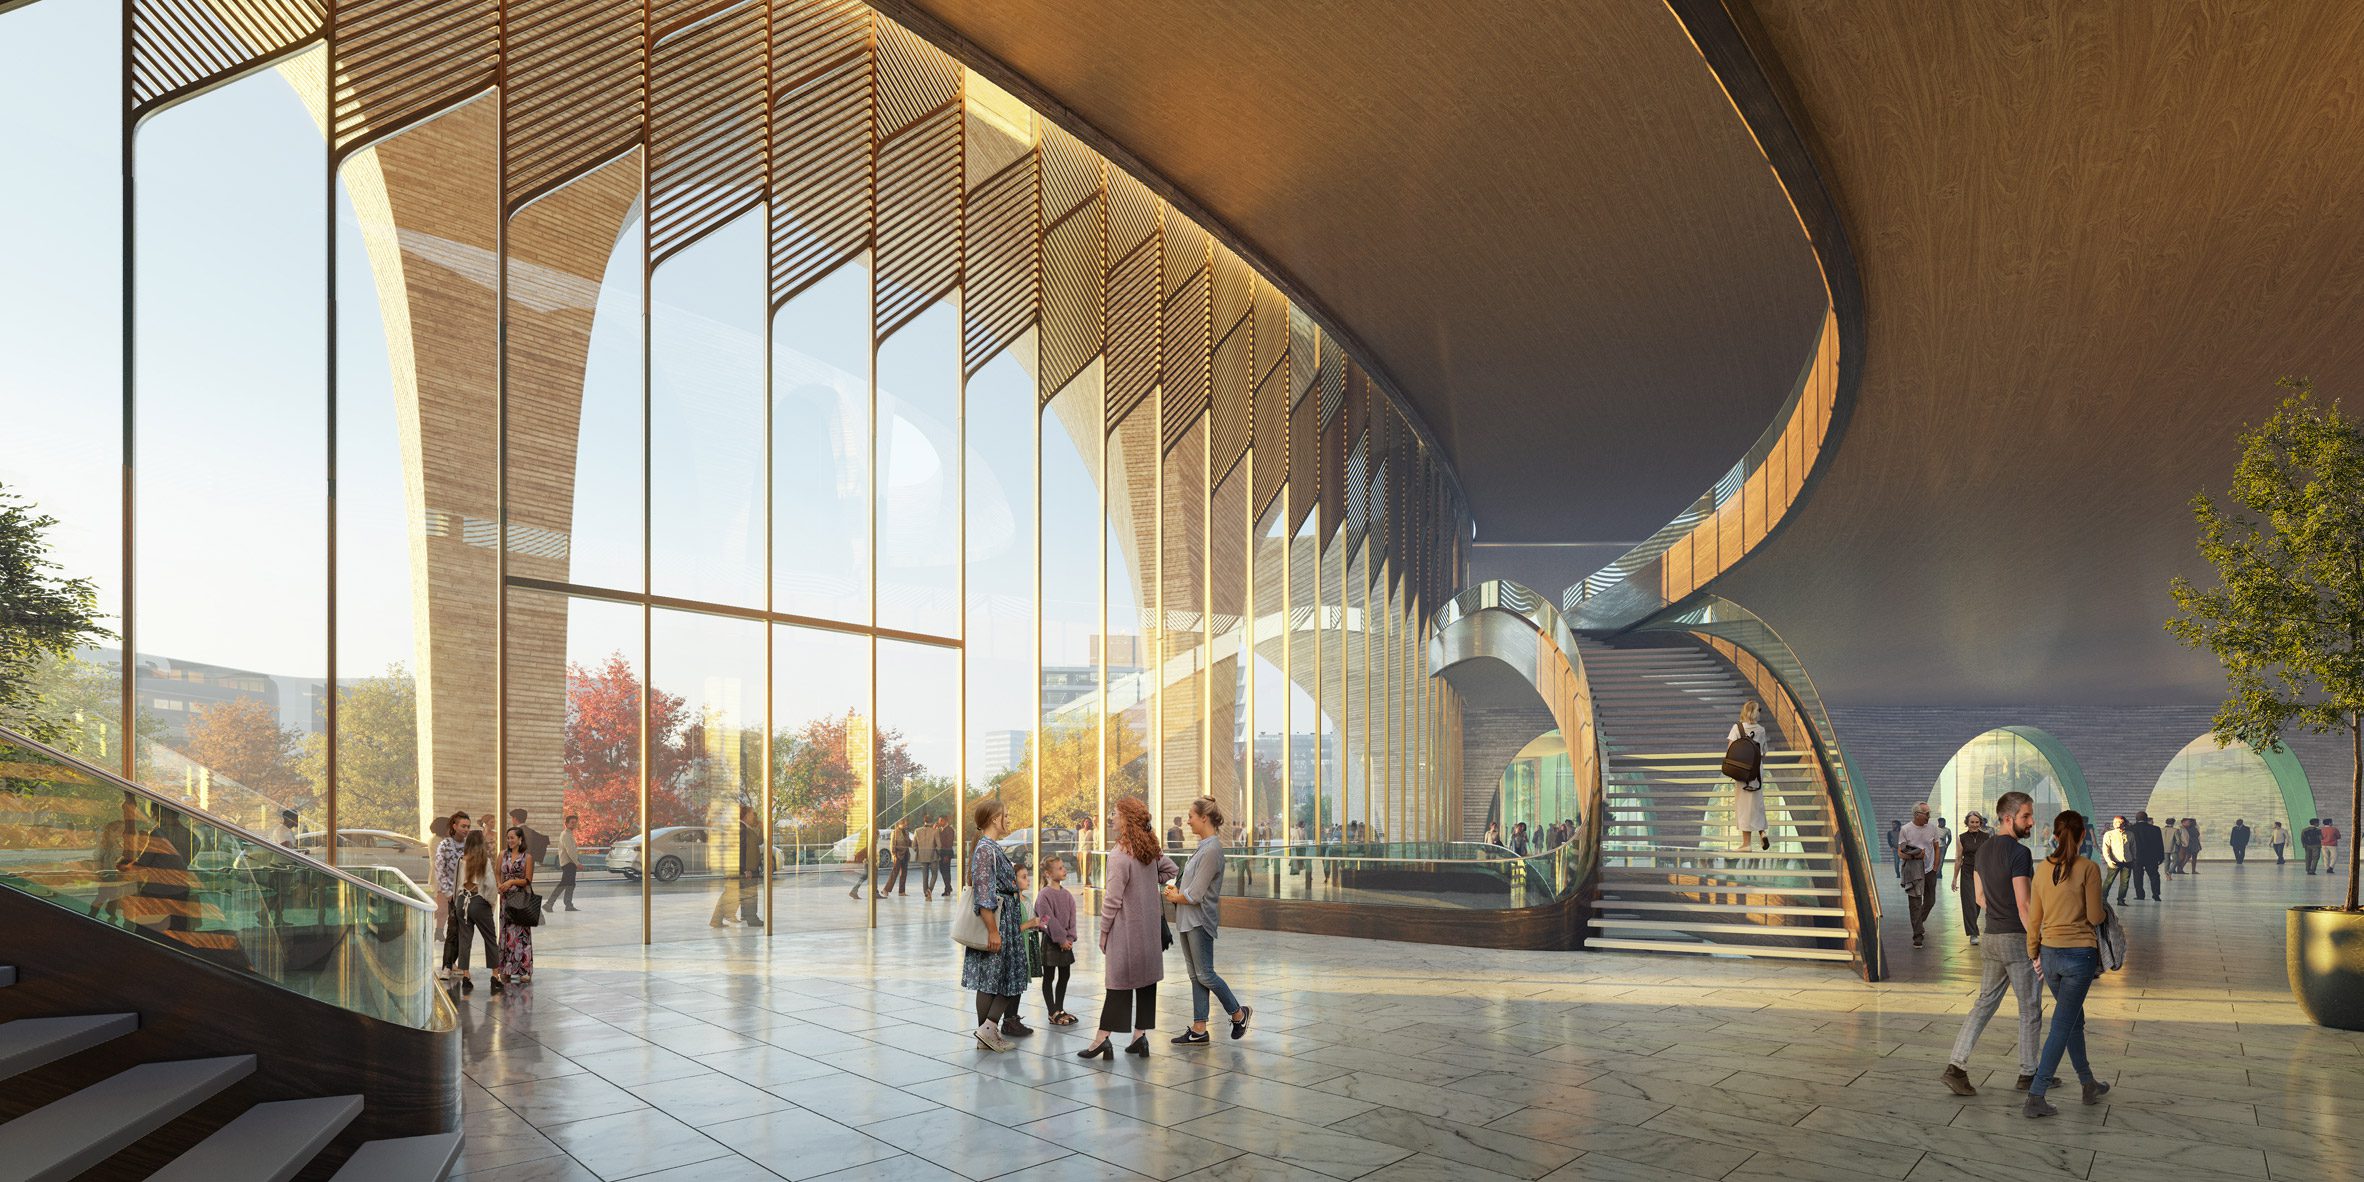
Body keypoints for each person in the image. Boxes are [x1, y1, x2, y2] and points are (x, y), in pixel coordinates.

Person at [1941, 791, 2049, 1098]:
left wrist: (1998, 913)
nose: (2031, 822)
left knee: (1984, 1004)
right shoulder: (2019, 853)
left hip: (1990, 938)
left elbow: (1978, 898)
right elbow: (2025, 904)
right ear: (2007, 818)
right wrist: (2036, 946)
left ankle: (1956, 1066)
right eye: (2026, 816)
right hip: (2016, 939)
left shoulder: (1984, 849)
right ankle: (2028, 1074)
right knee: (2030, 1009)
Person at [2022, 810, 2111, 1117]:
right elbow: (2095, 917)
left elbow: (2035, 917)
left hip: (2049, 954)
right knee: (2062, 1025)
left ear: (2055, 834)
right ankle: (2036, 1095)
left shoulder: (2042, 869)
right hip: (2078, 955)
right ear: (2083, 834)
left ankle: (2088, 1083)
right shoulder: (2089, 868)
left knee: (2073, 1019)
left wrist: (2033, 952)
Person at [1078, 797, 1178, 1060]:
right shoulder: (1148, 850)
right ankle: (1139, 1037)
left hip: (1126, 933)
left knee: (1118, 985)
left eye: (1115, 814)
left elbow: (1112, 900)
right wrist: (1147, 882)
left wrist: (1102, 934)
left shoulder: (1119, 855)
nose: (1111, 818)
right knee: (1146, 984)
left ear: (1127, 820)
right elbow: (1171, 869)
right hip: (1149, 934)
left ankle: (1102, 1039)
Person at [1166, 797, 1252, 1045]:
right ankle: (1199, 1028)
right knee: (1196, 976)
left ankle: (1238, 1013)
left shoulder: (1212, 850)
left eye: (1191, 815)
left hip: (1199, 921)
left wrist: (1175, 895)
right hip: (1187, 919)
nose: (1188, 821)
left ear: (1204, 818)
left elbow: (1195, 895)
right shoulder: (1203, 847)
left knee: (1206, 974)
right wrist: (1177, 894)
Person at [962, 799, 1030, 1051]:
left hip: (1005, 922)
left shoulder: (991, 847)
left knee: (1002, 978)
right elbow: (984, 894)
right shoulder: (985, 849)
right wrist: (993, 930)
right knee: (996, 979)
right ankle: (987, 1030)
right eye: (1005, 815)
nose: (1009, 819)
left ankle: (987, 1032)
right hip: (998, 924)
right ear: (993, 819)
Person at [442, 830, 496, 992]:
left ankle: (466, 976)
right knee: (490, 939)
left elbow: (457, 883)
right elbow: (491, 885)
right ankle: (495, 975)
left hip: (462, 902)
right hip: (479, 901)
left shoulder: (461, 860)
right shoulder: (484, 861)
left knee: (465, 940)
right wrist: (491, 903)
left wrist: (458, 901)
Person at [1036, 855, 1078, 1025]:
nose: (1064, 870)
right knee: (1049, 976)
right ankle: (1052, 1011)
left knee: (1065, 975)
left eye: (1063, 867)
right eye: (1060, 868)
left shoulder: (1067, 895)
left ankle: (1060, 1009)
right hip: (1051, 943)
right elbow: (1046, 919)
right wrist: (1060, 939)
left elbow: (1072, 919)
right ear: (1048, 873)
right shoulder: (1044, 895)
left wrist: (1069, 938)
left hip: (1066, 944)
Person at [1726, 701, 1771, 852]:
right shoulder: (1761, 730)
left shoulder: (1737, 728)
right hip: (1756, 771)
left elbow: (1730, 750)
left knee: (1744, 806)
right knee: (1757, 803)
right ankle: (1762, 832)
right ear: (1756, 712)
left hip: (1742, 770)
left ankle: (1746, 844)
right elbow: (1764, 752)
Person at [1898, 803, 1944, 948]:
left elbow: (1936, 847)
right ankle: (1917, 935)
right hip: (1913, 870)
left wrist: (1936, 866)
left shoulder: (1932, 828)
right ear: (1917, 814)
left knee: (1930, 901)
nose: (1929, 817)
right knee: (1915, 903)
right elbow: (1900, 852)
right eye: (1927, 814)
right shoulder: (1905, 829)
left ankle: (1919, 923)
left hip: (1930, 870)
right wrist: (1914, 857)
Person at [494, 827, 534, 991]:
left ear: (520, 840)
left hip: (520, 898)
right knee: (506, 933)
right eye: (508, 838)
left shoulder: (527, 857)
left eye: (512, 838)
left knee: (521, 933)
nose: (509, 841)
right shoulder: (502, 854)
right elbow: (497, 872)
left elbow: (528, 880)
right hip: (505, 899)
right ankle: (506, 969)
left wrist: (511, 882)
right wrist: (499, 885)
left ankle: (524, 970)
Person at [433, 810, 472, 972]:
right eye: (463, 826)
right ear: (454, 826)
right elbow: (439, 870)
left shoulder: (470, 845)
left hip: (468, 894)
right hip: (452, 895)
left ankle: (455, 963)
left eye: (468, 826)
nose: (466, 829)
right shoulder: (445, 845)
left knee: (465, 931)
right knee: (453, 930)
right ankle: (447, 965)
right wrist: (448, 893)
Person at [1954, 812, 1990, 943]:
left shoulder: (1986, 837)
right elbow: (1958, 859)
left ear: (1980, 823)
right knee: (1968, 902)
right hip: (1967, 872)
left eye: (1977, 822)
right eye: (1972, 822)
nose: (1974, 825)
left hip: (1982, 872)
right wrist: (1954, 878)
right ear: (1967, 823)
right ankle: (1973, 933)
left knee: (1977, 902)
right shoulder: (1961, 838)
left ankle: (1972, 926)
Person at [550, 813, 582, 912]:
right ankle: (550, 903)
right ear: (566, 824)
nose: (574, 824)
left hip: (569, 863)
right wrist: (577, 863)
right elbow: (570, 851)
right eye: (572, 823)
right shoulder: (566, 834)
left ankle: (567, 904)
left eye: (575, 823)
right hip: (568, 863)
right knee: (566, 883)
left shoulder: (568, 834)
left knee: (569, 883)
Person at [2100, 815, 2135, 906]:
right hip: (2114, 861)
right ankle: (2103, 898)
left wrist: (2134, 859)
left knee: (2125, 882)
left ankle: (2121, 899)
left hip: (2127, 861)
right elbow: (2105, 848)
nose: (2116, 824)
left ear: (2124, 823)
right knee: (2109, 881)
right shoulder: (2109, 834)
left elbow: (2133, 847)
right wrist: (2108, 860)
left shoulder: (2130, 834)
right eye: (2114, 822)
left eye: (2118, 822)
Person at [2130, 812, 2165, 899]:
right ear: (2146, 818)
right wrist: (2161, 856)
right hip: (2152, 857)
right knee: (2154, 875)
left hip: (2136, 857)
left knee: (2138, 876)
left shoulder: (2131, 829)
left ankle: (2140, 895)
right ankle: (2156, 894)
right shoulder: (2155, 829)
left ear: (2136, 819)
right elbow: (2159, 844)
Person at [916, 814, 942, 898]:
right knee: (934, 874)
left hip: (922, 856)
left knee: (925, 876)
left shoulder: (917, 831)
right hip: (933, 856)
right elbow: (939, 846)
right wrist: (938, 852)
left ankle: (926, 893)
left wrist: (920, 850)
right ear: (932, 821)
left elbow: (913, 846)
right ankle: (929, 890)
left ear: (924, 821)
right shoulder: (935, 831)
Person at [887, 820, 913, 896]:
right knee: (894, 873)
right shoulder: (895, 832)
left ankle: (902, 891)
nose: (906, 826)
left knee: (904, 874)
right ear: (900, 824)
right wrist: (894, 855)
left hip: (905, 855)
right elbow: (892, 845)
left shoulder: (906, 832)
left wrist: (916, 843)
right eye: (904, 824)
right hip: (898, 855)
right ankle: (886, 889)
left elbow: (909, 843)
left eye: (906, 825)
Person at [935, 816, 956, 895]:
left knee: (946, 871)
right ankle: (948, 887)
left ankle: (947, 889)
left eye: (940, 821)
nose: (939, 822)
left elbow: (949, 843)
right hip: (942, 853)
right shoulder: (940, 830)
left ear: (944, 821)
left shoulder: (950, 830)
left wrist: (946, 856)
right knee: (942, 870)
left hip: (946, 853)